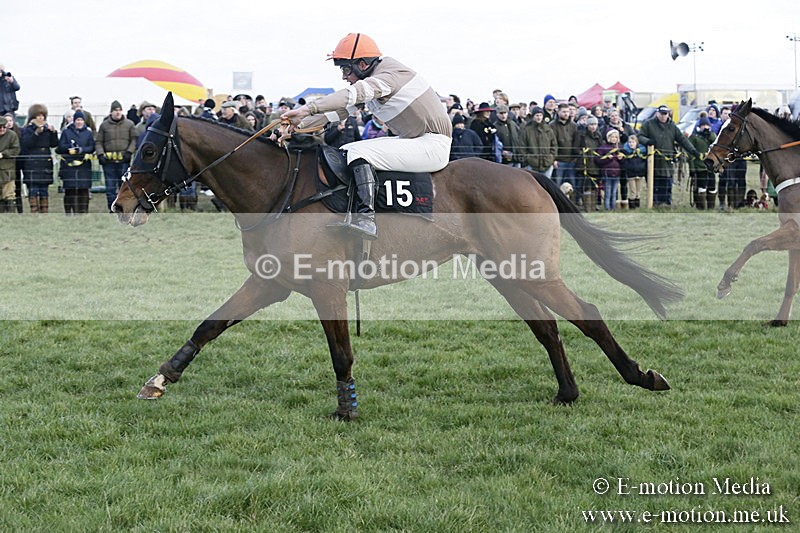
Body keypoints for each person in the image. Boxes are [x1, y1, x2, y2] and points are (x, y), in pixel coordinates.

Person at [282, 33, 452, 240]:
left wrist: (308, 108)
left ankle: (366, 219)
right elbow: (334, 114)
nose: (344, 76)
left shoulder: (388, 76)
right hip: (415, 141)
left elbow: (351, 94)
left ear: (362, 64)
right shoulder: (374, 78)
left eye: (346, 69)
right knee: (346, 151)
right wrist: (293, 128)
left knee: (357, 151)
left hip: (433, 144)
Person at [637, 104, 699, 207]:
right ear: (657, 113)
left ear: (668, 114)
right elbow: (639, 136)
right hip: (653, 161)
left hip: (667, 161)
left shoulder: (672, 126)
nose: (663, 116)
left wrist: (693, 151)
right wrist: (648, 141)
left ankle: (667, 203)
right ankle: (655, 203)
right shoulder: (648, 124)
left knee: (667, 183)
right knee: (654, 183)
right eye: (661, 114)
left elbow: (682, 139)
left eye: (665, 114)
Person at [96, 100, 136, 211]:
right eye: (115, 110)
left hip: (124, 161)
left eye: (119, 110)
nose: (117, 112)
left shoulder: (129, 124)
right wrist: (100, 154)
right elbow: (99, 141)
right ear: (111, 112)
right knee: (110, 187)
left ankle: (124, 208)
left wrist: (129, 152)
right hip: (109, 162)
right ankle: (111, 208)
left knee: (124, 186)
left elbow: (134, 139)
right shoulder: (104, 125)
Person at [20, 104, 58, 213]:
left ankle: (44, 211)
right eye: (38, 116)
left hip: (45, 161)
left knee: (44, 190)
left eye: (43, 116)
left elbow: (54, 144)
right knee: (33, 189)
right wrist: (36, 133)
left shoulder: (47, 129)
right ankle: (34, 211)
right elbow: (26, 144)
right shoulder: (27, 129)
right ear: (33, 117)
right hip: (32, 163)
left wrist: (53, 133)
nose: (41, 118)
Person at [56, 110, 95, 214]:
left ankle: (83, 212)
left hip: (84, 166)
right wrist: (69, 148)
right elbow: (60, 147)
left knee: (83, 190)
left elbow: (92, 147)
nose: (79, 122)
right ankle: (69, 212)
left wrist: (81, 150)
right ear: (74, 120)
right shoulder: (66, 132)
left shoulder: (88, 133)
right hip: (69, 166)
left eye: (81, 120)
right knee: (70, 190)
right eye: (77, 120)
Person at [688, 116, 717, 210]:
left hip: (711, 167)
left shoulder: (712, 135)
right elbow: (690, 153)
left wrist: (709, 135)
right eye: (703, 125)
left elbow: (716, 144)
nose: (705, 127)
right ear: (699, 126)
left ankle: (711, 207)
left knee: (712, 187)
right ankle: (701, 207)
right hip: (699, 167)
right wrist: (692, 169)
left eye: (707, 125)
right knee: (701, 187)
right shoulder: (694, 137)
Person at [519, 106, 557, 176]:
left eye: (540, 115)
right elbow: (522, 146)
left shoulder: (548, 129)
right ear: (533, 116)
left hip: (547, 164)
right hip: (532, 165)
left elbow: (554, 145)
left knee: (545, 186)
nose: (539, 117)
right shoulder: (527, 130)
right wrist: (528, 159)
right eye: (537, 115)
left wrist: (551, 157)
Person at [576, 116, 603, 211]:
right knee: (585, 185)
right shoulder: (582, 135)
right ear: (587, 125)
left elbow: (601, 148)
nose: (593, 126)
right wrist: (583, 153)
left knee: (594, 185)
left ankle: (593, 205)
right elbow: (577, 148)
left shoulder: (598, 136)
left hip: (596, 164)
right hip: (585, 164)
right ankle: (586, 205)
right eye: (591, 124)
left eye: (595, 124)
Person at [551, 103, 579, 189]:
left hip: (571, 160)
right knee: (558, 185)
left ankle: (573, 202)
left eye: (567, 111)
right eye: (563, 112)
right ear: (558, 112)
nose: (566, 114)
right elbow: (552, 143)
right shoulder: (552, 125)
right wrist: (554, 159)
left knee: (572, 185)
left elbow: (576, 142)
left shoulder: (574, 125)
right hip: (559, 160)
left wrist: (576, 156)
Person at [595, 129, 624, 210]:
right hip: (607, 173)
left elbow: (623, 162)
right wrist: (607, 159)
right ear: (608, 137)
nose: (614, 138)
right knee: (608, 192)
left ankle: (613, 207)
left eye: (615, 137)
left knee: (614, 192)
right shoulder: (603, 148)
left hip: (617, 173)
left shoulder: (619, 148)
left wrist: (621, 159)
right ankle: (607, 208)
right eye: (612, 137)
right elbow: (598, 160)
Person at [4, 112, 24, 213]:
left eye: (11, 120)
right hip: (5, 165)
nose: (9, 123)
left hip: (17, 163)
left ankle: (20, 210)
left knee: (17, 187)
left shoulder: (19, 132)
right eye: (6, 121)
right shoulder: (3, 133)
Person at [0, 116, 20, 212]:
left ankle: (11, 216)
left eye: (4, 127)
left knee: (9, 195)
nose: (2, 129)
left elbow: (16, 150)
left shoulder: (12, 135)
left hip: (7, 171)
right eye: (0, 127)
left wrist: (3, 154)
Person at [621, 134, 646, 209]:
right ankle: (632, 207)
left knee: (638, 191)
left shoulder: (641, 152)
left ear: (636, 143)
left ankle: (637, 206)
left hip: (640, 173)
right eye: (630, 142)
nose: (631, 144)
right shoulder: (626, 152)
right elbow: (624, 162)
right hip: (631, 174)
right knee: (633, 191)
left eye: (633, 142)